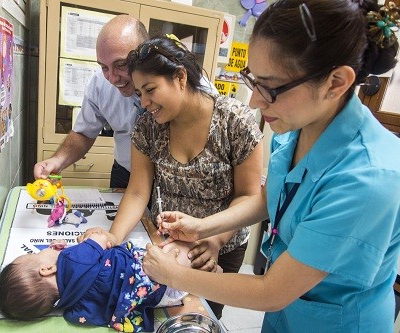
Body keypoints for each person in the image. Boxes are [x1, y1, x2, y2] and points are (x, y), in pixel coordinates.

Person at [142, 1, 400, 332]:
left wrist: (174, 274)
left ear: (336, 82)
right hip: (290, 312)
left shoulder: (369, 180)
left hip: (336, 321)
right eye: (253, 80)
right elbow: (270, 198)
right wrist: (201, 227)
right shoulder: (296, 126)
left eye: (272, 87)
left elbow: (271, 292)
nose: (256, 102)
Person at [78, 35, 264, 319]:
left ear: (180, 77)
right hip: (166, 242)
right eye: (139, 92)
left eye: (150, 90)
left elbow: (249, 196)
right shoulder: (148, 127)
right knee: (159, 311)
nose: (144, 101)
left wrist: (213, 240)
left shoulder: (235, 122)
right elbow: (139, 191)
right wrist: (114, 236)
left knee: (201, 317)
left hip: (220, 245)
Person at [33, 15, 216, 188]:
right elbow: (84, 132)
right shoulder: (100, 84)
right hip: (126, 173)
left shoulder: (191, 86)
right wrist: (57, 160)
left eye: (121, 64)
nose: (112, 78)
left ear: (142, 53)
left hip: (173, 179)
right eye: (104, 67)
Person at [0, 233, 196, 332]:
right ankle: (204, 263)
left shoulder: (74, 311)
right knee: (182, 245)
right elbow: (99, 239)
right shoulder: (72, 258)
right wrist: (91, 239)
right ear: (46, 269)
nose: (41, 250)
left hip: (158, 298)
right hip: (161, 273)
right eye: (35, 255)